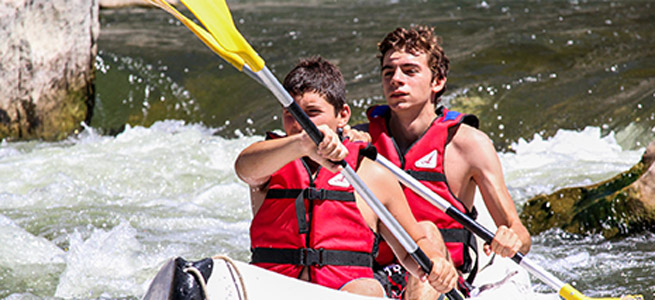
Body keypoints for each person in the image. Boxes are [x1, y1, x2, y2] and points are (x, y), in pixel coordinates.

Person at [234, 56, 459, 298]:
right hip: (275, 287)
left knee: (368, 289)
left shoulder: (372, 174)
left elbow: (411, 247)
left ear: (342, 115)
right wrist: (301, 144)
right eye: (291, 114)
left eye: (312, 112)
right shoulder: (271, 160)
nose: (300, 124)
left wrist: (435, 262)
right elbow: (244, 168)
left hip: (342, 291)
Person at [347, 25, 532, 298]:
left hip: (444, 278)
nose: (396, 79)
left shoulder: (469, 145)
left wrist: (510, 237)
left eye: (410, 71)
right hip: (380, 272)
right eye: (389, 72)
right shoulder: (361, 141)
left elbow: (519, 232)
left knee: (427, 235)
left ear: (437, 81)